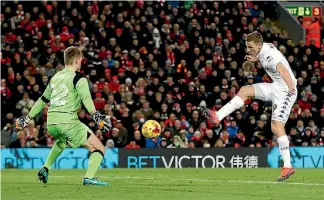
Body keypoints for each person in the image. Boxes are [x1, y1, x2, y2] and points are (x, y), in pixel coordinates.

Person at [200, 32, 297, 181]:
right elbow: (266, 56)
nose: (248, 49)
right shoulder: (263, 49)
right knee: (245, 90)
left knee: (276, 127)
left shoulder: (271, 55)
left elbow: (282, 69)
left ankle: (287, 166)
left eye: (250, 47)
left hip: (286, 91)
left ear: (258, 45)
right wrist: (255, 58)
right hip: (276, 86)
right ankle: (217, 116)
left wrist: (290, 86)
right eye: (247, 47)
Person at [14, 46, 111, 186]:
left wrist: (26, 119)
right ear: (77, 60)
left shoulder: (55, 77)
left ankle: (45, 167)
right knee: (98, 148)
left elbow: (42, 100)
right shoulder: (79, 78)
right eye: (81, 60)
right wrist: (96, 117)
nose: (82, 63)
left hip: (52, 123)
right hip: (68, 122)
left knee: (61, 141)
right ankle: (89, 178)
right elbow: (86, 98)